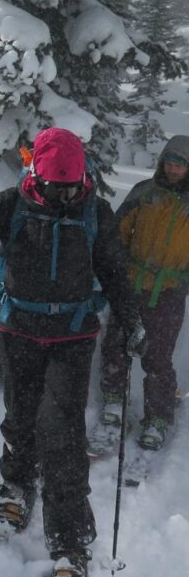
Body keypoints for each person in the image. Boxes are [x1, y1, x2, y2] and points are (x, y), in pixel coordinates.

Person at [0, 127, 145, 577]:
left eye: (71, 188)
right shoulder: (13, 202)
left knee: (63, 430)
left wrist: (131, 320)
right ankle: (16, 486)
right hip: (18, 330)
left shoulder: (95, 211)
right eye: (55, 188)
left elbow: (113, 270)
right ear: (37, 175)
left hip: (72, 335)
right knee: (21, 414)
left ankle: (71, 540)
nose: (63, 196)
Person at [98, 135, 189, 451]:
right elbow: (116, 230)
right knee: (116, 346)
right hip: (131, 285)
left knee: (158, 356)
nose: (174, 169)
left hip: (169, 292)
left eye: (181, 164)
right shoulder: (144, 193)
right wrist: (116, 261)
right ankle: (112, 403)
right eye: (170, 162)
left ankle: (158, 418)